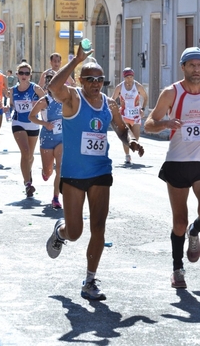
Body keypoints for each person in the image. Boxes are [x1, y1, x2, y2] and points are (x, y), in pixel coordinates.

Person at [46, 43, 144, 300]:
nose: (96, 84)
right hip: (74, 174)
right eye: (90, 79)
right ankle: (60, 231)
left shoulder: (109, 104)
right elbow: (53, 88)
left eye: (100, 80)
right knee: (76, 232)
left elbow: (121, 129)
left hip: (100, 171)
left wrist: (130, 141)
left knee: (98, 227)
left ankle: (90, 280)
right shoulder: (72, 97)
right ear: (80, 79)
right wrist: (75, 60)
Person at [144, 46, 200, 289]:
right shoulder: (171, 93)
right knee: (179, 222)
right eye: (192, 66)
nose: (197, 70)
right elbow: (148, 124)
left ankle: (195, 231)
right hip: (177, 161)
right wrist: (166, 122)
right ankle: (177, 269)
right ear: (183, 67)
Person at [9, 62, 45, 197]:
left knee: (30, 156)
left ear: (30, 75)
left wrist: (38, 106)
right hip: (18, 122)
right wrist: (7, 109)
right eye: (21, 73)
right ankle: (27, 183)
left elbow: (47, 103)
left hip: (33, 124)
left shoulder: (35, 89)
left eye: (27, 73)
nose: (24, 76)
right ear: (17, 74)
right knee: (25, 152)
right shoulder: (13, 90)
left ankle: (28, 175)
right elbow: (12, 106)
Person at [29, 69, 63, 208]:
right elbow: (31, 117)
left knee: (60, 168)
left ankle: (55, 197)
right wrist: (44, 124)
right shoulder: (44, 101)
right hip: (47, 138)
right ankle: (45, 172)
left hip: (62, 138)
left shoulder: (64, 98)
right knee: (48, 170)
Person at [112, 67, 148, 164]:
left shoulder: (138, 86)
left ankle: (132, 148)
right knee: (126, 137)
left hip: (136, 115)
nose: (129, 79)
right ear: (124, 77)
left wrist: (143, 109)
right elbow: (112, 99)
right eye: (127, 77)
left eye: (131, 77)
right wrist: (115, 111)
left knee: (135, 138)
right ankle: (127, 156)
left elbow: (145, 97)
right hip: (124, 114)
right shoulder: (120, 87)